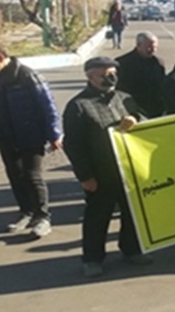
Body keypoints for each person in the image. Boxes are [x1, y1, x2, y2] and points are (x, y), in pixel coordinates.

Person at [63, 57, 151, 277]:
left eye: (112, 73)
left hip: (128, 169)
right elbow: (73, 145)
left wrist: (136, 119)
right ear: (90, 77)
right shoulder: (79, 106)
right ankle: (92, 259)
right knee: (97, 217)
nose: (110, 78)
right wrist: (85, 176)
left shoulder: (124, 98)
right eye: (103, 75)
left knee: (132, 213)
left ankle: (132, 249)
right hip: (100, 173)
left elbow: (144, 120)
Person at [0, 45, 62, 238]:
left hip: (31, 134)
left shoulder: (27, 75)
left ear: (0, 57)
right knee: (15, 175)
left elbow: (47, 105)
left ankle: (43, 217)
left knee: (32, 176)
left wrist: (54, 134)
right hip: (6, 136)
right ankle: (26, 212)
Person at [116, 32, 166, 118]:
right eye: (149, 47)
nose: (152, 50)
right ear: (138, 45)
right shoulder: (123, 63)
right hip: (132, 110)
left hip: (155, 110)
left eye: (155, 47)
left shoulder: (158, 63)